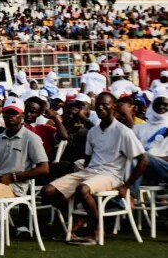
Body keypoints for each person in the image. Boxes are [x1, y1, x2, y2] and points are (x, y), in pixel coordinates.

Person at [41, 93, 148, 245]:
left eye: (105, 104)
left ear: (114, 107)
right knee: (48, 191)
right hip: (91, 172)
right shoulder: (93, 132)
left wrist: (126, 186)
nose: (100, 107)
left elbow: (144, 160)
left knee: (83, 189)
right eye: (98, 105)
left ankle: (96, 231)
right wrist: (84, 174)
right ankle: (79, 218)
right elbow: (88, 159)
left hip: (111, 175)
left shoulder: (123, 131)